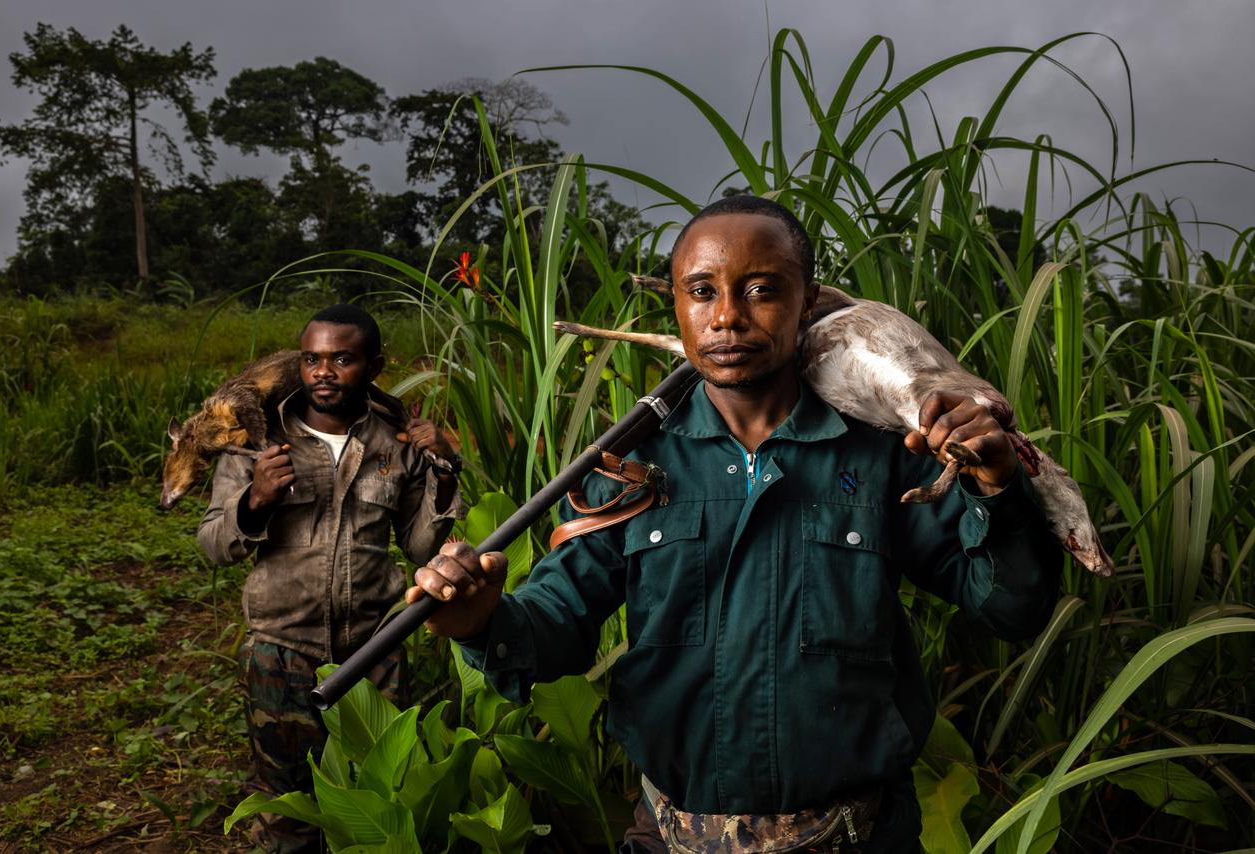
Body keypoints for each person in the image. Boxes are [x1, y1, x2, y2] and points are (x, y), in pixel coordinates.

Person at [406, 196, 1061, 852]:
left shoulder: (887, 455)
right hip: (669, 836)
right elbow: (559, 618)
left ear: (808, 302)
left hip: (856, 836)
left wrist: (998, 486)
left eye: (761, 291)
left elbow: (1012, 609)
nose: (726, 316)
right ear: (677, 305)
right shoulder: (635, 463)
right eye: (701, 290)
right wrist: (481, 622)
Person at [199, 304, 465, 853]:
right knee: (286, 803)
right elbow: (212, 546)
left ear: (373, 365)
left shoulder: (397, 443)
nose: (323, 371)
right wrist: (256, 500)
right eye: (312, 359)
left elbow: (420, 547)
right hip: (280, 651)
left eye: (341, 359)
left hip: (376, 648)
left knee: (381, 794)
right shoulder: (255, 440)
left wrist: (442, 468)